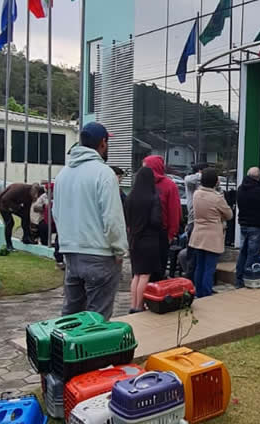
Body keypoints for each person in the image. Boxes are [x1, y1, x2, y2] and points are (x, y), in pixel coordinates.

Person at [53, 122, 127, 319]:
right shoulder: (104, 173)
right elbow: (112, 217)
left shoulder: (63, 174)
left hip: (71, 253)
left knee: (71, 316)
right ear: (103, 143)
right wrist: (119, 249)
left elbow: (56, 214)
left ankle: (64, 340)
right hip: (100, 255)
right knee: (97, 319)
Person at [189, 168, 233, 297]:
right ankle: (206, 294)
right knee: (209, 268)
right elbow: (229, 214)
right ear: (215, 181)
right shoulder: (217, 198)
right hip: (213, 236)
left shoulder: (196, 194)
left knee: (200, 266)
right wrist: (220, 217)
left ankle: (199, 292)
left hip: (198, 234)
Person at [126, 166, 163, 313]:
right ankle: (139, 306)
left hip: (134, 239)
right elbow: (156, 220)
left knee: (136, 274)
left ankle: (133, 305)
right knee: (145, 275)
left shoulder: (130, 197)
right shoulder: (153, 198)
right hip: (149, 240)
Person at [143, 155, 181, 279]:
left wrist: (171, 233)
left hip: (151, 233)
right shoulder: (169, 185)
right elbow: (174, 211)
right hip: (152, 233)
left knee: (147, 272)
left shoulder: (168, 185)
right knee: (152, 271)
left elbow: (174, 211)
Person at [235, 167, 260, 287]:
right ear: (259, 177)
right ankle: (248, 277)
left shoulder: (240, 189)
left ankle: (239, 279)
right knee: (253, 254)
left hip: (243, 224)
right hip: (257, 225)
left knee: (243, 252)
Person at [0, 182, 42, 250]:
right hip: (3, 203)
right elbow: (4, 199)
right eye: (36, 196)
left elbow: (27, 210)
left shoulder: (31, 195)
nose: (35, 198)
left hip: (13, 203)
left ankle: (26, 238)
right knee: (10, 223)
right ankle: (9, 245)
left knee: (25, 217)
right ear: (33, 191)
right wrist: (17, 208)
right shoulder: (19, 189)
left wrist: (28, 220)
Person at [184, 163, 206, 281]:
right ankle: (190, 280)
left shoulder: (206, 185)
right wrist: (203, 175)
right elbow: (187, 179)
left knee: (202, 253)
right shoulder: (191, 181)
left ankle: (199, 280)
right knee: (192, 253)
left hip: (205, 221)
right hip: (193, 221)